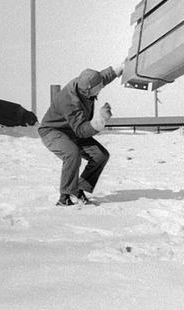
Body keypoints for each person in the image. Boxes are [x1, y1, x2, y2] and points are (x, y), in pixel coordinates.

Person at [38, 64, 123, 206]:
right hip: (53, 131)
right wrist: (100, 120)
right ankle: (65, 195)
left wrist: (122, 67)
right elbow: (81, 131)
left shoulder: (87, 82)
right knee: (72, 153)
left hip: (72, 129)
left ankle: (79, 188)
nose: (100, 89)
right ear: (88, 91)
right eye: (98, 89)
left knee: (100, 156)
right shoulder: (70, 101)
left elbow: (103, 77)